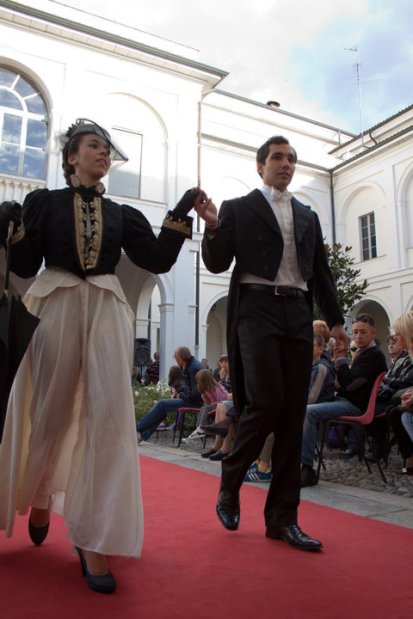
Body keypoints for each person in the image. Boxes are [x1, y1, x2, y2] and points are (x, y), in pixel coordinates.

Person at [0, 118, 207, 594]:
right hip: (55, 306)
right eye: (94, 146)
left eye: (107, 149)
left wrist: (180, 211)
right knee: (48, 410)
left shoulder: (122, 213)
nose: (103, 154)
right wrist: (13, 228)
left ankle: (92, 536)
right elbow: (26, 265)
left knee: (107, 417)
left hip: (107, 311)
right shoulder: (45, 202)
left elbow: (157, 258)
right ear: (72, 156)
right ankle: (39, 494)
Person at [196, 135, 348, 552]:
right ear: (260, 165)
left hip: (297, 310)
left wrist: (336, 321)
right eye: (278, 157)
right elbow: (216, 263)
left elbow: (320, 270)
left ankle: (283, 519)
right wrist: (212, 225)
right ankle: (231, 477)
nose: (286, 164)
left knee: (293, 414)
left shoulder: (307, 215)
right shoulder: (238, 208)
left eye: (292, 159)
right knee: (265, 402)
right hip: (256, 308)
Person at [301, 314, 387, 487]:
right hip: (344, 400)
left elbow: (350, 385)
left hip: (355, 406)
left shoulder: (374, 355)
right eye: (355, 332)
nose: (358, 336)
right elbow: (347, 385)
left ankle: (307, 469)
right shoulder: (363, 354)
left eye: (363, 332)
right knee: (300, 408)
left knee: (308, 411)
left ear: (373, 333)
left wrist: (340, 359)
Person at [136, 346, 204, 442]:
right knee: (163, 407)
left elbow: (195, 395)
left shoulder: (193, 368)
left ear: (180, 358)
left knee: (162, 404)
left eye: (175, 358)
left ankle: (136, 430)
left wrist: (180, 395)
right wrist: (180, 392)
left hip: (197, 403)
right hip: (195, 400)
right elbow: (190, 389)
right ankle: (140, 435)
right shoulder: (191, 365)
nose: (175, 360)